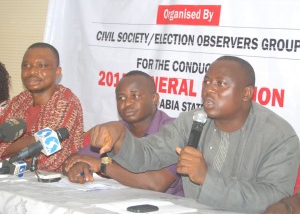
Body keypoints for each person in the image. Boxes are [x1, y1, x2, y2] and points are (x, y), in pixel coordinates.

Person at [69, 56, 300, 213]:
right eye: (207, 81)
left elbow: (273, 196)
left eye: (221, 84)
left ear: (247, 93)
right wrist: (120, 137)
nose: (209, 89)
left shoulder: (278, 136)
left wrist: (206, 178)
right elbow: (148, 155)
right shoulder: (192, 121)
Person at [64, 70, 183, 196]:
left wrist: (102, 166)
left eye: (135, 96)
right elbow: (70, 160)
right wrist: (78, 165)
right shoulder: (116, 129)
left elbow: (156, 184)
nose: (127, 103)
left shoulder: (174, 130)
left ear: (154, 98)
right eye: (121, 98)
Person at [0, 42, 84, 172]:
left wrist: (7, 149)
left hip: (47, 185)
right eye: (26, 65)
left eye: (42, 66)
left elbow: (49, 160)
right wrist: (32, 141)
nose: (32, 71)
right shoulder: (20, 100)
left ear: (57, 72)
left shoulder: (66, 102)